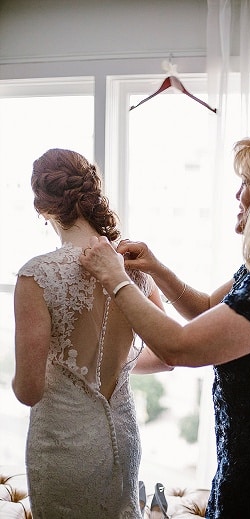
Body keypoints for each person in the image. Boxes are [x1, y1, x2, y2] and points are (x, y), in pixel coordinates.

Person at [80, 130, 250, 518]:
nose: (238, 194)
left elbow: (179, 347)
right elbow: (207, 307)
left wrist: (115, 278)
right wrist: (156, 268)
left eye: (247, 183)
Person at [12, 149, 171, 518]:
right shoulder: (132, 265)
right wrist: (117, 364)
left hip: (64, 447)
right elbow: (166, 357)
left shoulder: (37, 276)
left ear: (43, 207)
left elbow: (28, 390)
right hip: (123, 439)